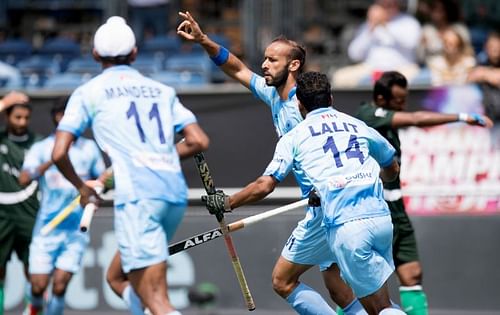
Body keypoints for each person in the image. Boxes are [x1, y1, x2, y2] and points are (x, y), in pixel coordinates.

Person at [177, 11, 365, 315]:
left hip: (330, 203)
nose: (264, 64)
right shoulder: (273, 94)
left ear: (293, 65)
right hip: (329, 202)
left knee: (285, 281)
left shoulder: (302, 108)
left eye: (272, 60)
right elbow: (236, 67)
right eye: (264, 59)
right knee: (336, 285)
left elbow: (269, 183)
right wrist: (203, 40)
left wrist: (229, 202)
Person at [202, 71, 404, 315]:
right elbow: (391, 165)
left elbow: (265, 185)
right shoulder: (357, 125)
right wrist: (376, 179)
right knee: (285, 279)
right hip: (381, 219)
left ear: (298, 104)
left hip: (346, 225)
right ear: (330, 98)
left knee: (380, 307)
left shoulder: (294, 137)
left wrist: (227, 202)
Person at [51, 16, 209, 315]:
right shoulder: (161, 90)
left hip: (139, 198)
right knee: (117, 277)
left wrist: (83, 188)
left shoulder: (88, 92)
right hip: (173, 194)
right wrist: (154, 158)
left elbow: (59, 152)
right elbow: (198, 140)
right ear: (135, 53)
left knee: (157, 299)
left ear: (95, 55)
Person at [354, 71, 493, 315]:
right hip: (374, 212)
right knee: (360, 284)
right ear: (381, 98)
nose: (403, 105)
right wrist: (463, 117)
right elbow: (417, 119)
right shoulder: (368, 115)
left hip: (398, 211)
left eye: (405, 99)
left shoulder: (388, 120)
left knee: (412, 274)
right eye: (398, 101)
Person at [19, 99, 107, 315]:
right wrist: (55, 159)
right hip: (47, 227)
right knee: (38, 286)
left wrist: (95, 196)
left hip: (75, 230)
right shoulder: (42, 148)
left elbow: (101, 181)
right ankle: (35, 306)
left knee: (60, 285)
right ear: (58, 117)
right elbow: (24, 178)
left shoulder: (89, 148)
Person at [0, 91, 41, 315]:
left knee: (35, 274)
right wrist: (6, 101)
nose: (22, 122)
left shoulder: (38, 143)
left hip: (30, 214)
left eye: (26, 117)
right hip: (1, 216)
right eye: (17, 117)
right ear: (7, 116)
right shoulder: (1, 139)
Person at [332, 0, 422, 87]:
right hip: (371, 68)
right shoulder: (367, 26)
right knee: (339, 77)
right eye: (383, 3)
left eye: (390, 3)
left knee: (404, 80)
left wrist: (385, 25)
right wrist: (371, 28)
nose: (387, 5)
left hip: (403, 68)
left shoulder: (409, 22)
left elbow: (411, 44)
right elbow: (354, 54)